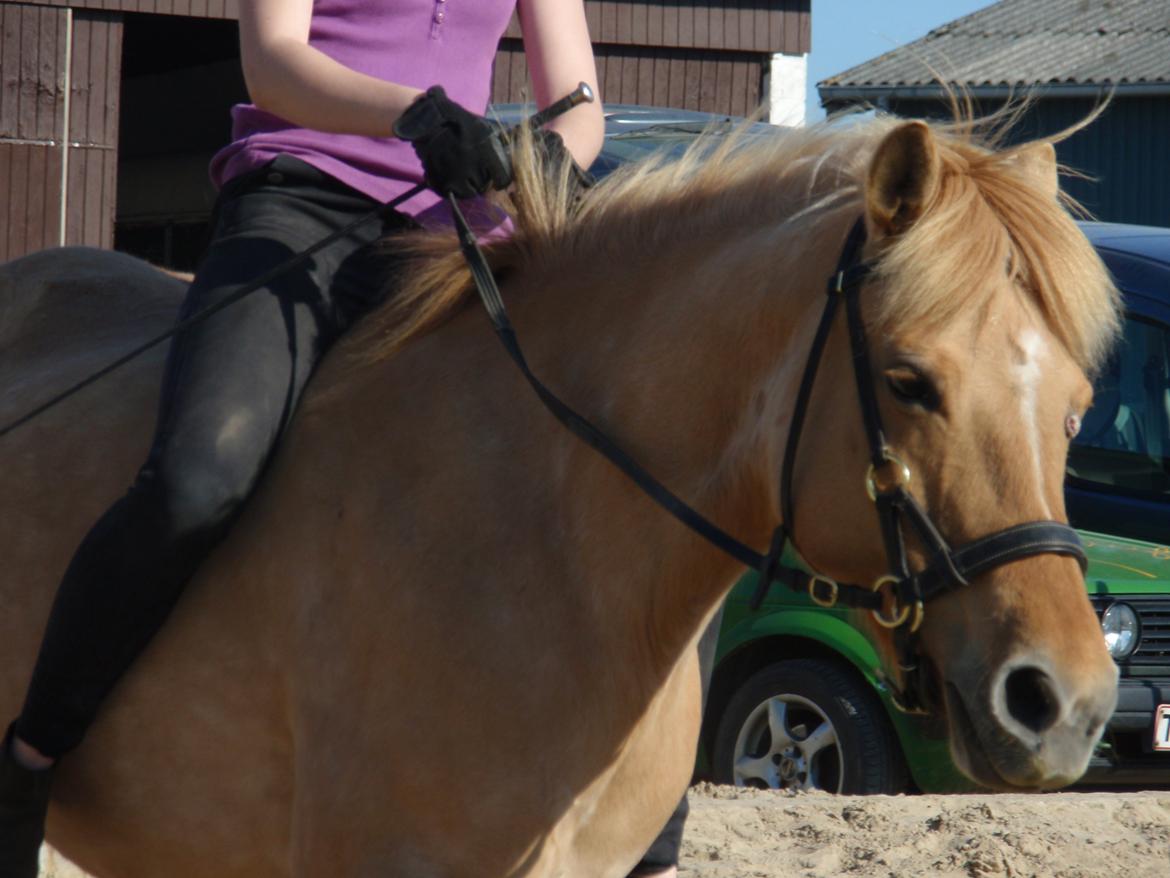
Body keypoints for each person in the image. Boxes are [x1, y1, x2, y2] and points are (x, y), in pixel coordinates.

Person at [0, 2, 694, 876]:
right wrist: (410, 113)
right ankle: (31, 756)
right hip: (301, 199)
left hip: (455, 225)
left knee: (639, 450)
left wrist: (558, 149)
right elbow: (274, 61)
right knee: (202, 470)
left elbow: (578, 93)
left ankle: (653, 831)